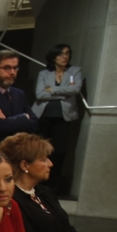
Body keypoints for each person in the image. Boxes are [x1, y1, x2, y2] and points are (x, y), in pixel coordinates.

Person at [32, 44, 83, 195]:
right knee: (41, 149)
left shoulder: (74, 72)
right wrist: (64, 92)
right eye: (61, 54)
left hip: (63, 116)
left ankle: (53, 184)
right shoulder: (44, 73)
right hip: (44, 115)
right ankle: (39, 182)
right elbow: (40, 94)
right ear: (54, 57)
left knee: (59, 151)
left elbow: (75, 89)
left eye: (67, 53)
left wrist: (52, 90)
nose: (65, 56)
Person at [0, 50, 38, 152]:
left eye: (15, 68)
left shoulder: (19, 94)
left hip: (18, 152)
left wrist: (7, 119)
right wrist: (24, 117)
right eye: (7, 68)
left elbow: (34, 124)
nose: (12, 72)